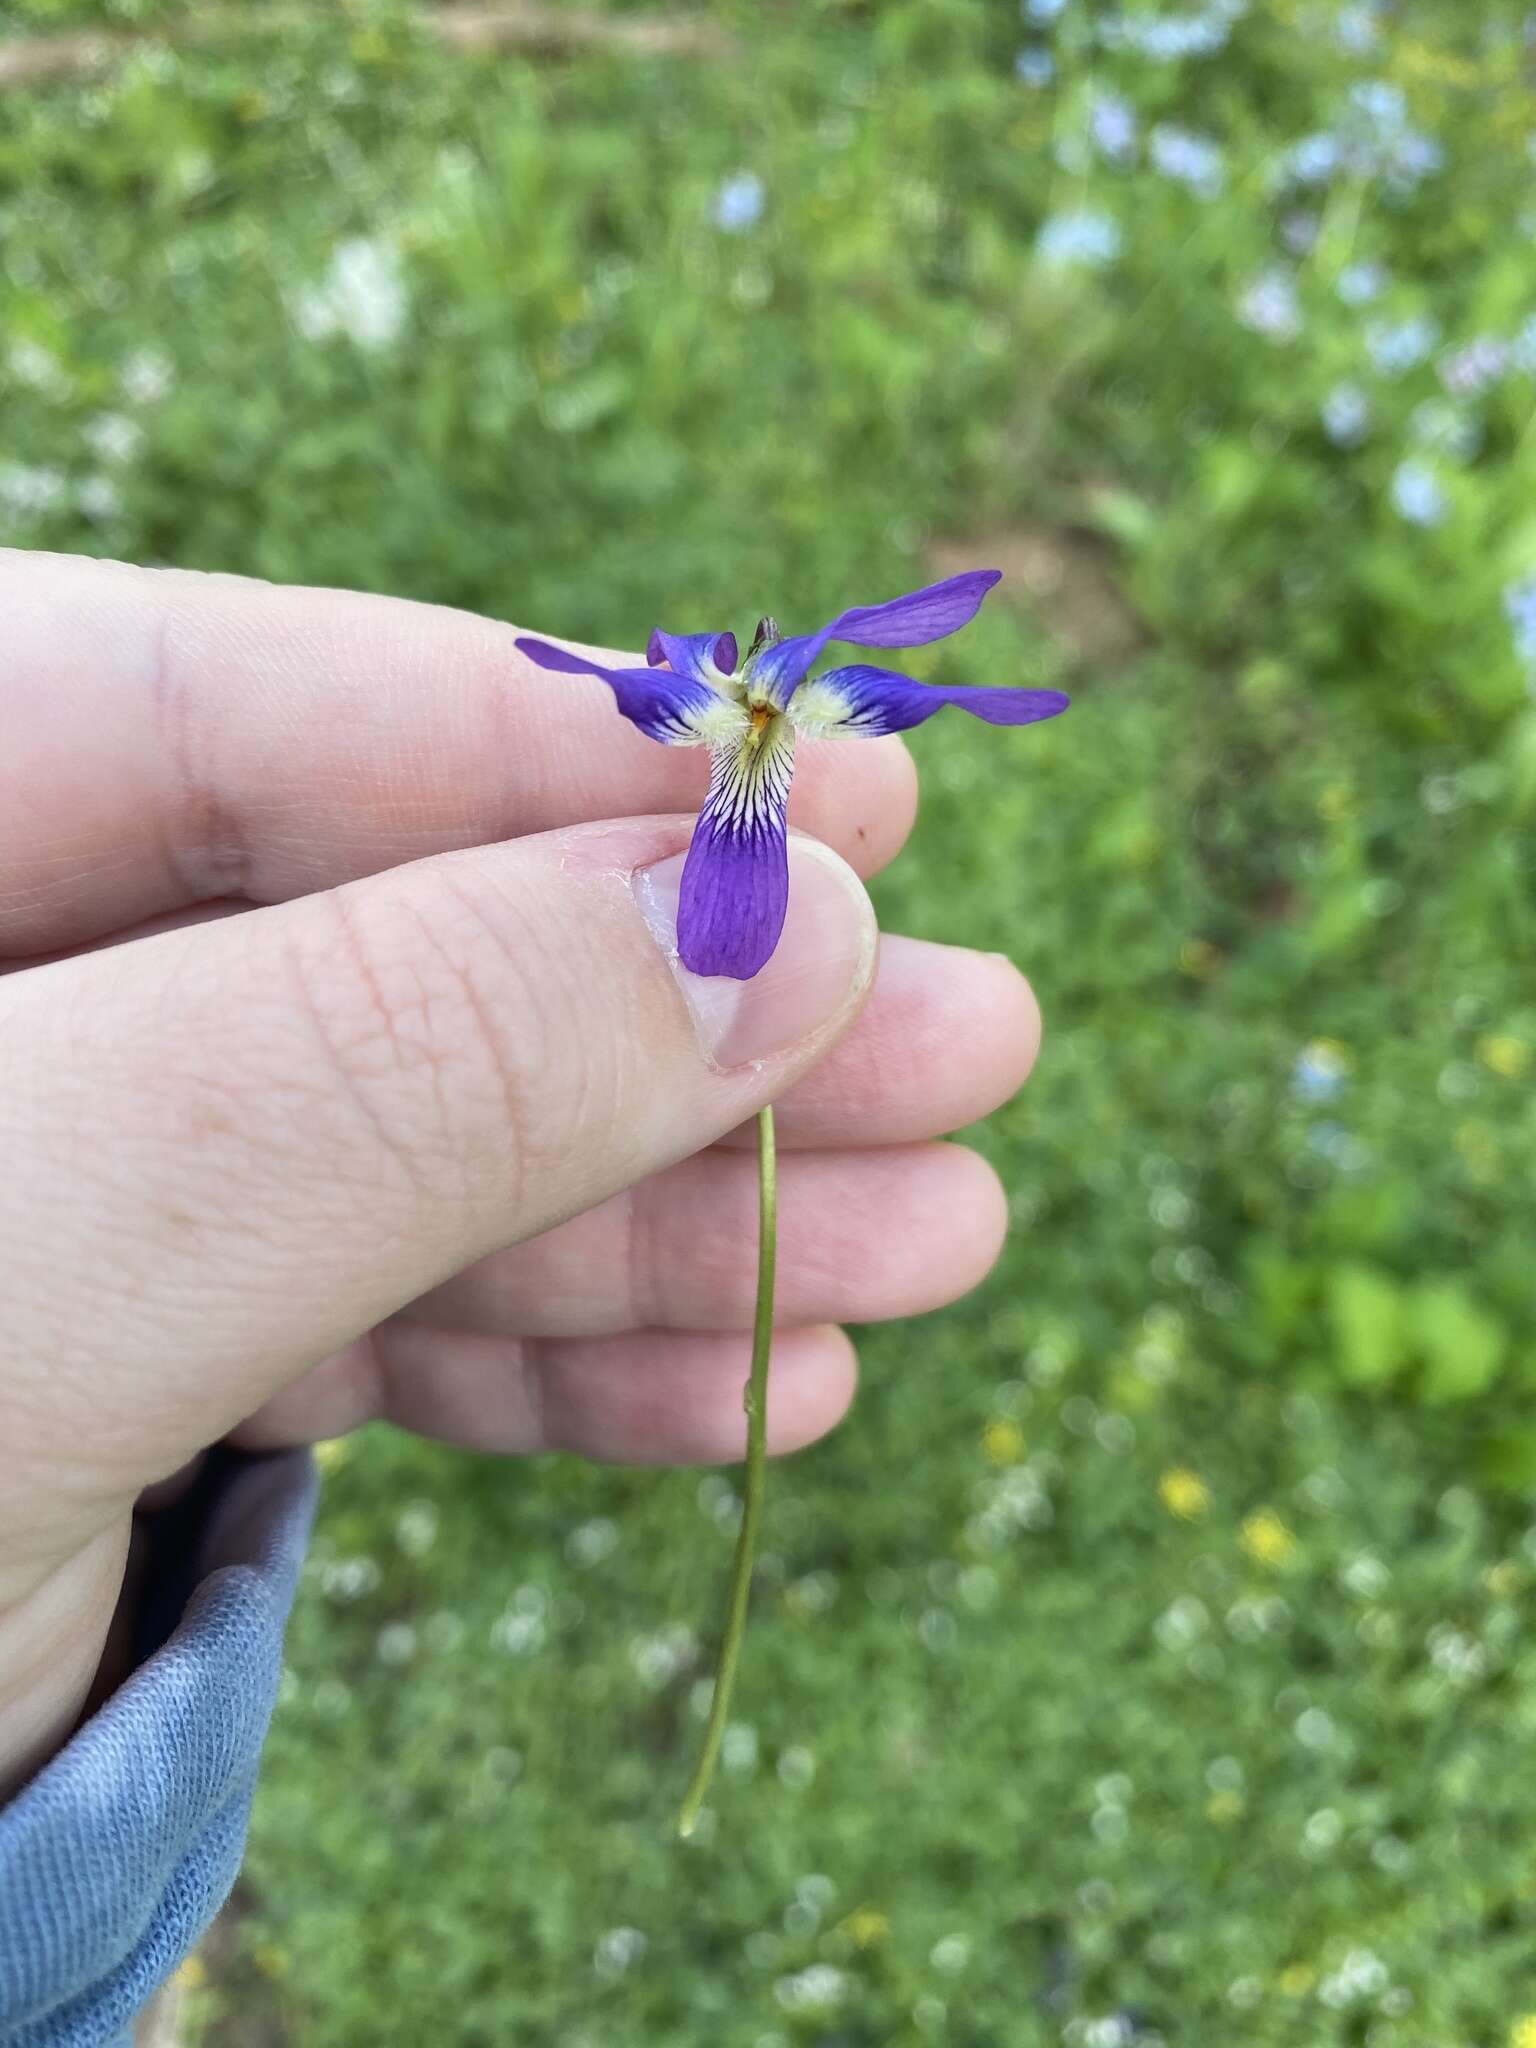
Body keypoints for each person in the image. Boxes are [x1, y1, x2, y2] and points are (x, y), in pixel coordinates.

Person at [0, 549, 1043, 2044]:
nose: (758, 728)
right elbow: (623, 681)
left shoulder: (754, 733)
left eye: (768, 716)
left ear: (773, 712)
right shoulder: (751, 736)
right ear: (738, 705)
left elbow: (908, 678)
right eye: (747, 711)